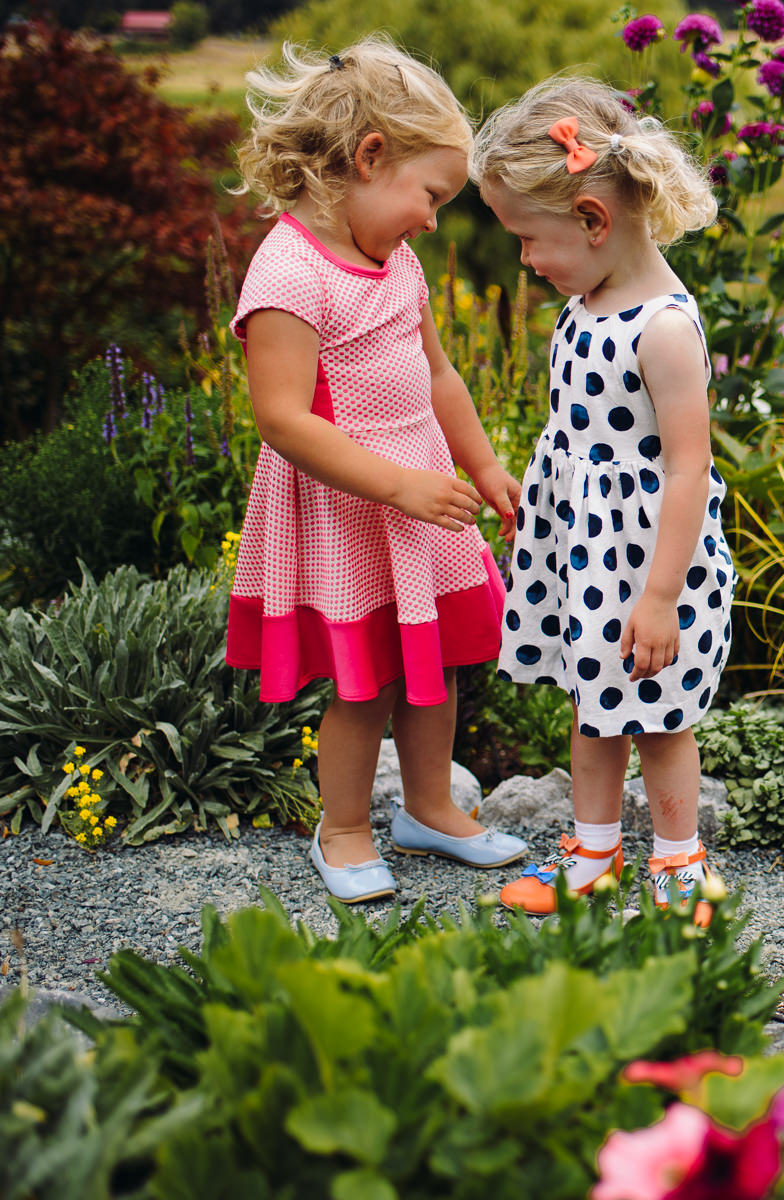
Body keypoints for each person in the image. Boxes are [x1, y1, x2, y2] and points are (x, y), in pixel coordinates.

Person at [227, 38, 528, 903]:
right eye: (430, 195)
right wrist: (398, 485)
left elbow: (437, 374)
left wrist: (482, 460)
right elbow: (282, 419)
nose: (434, 220)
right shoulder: (288, 270)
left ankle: (429, 807)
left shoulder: (396, 262)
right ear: (368, 159)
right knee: (366, 683)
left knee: (433, 668)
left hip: (421, 495)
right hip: (349, 509)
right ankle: (346, 826)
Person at [471, 77, 730, 920]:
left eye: (527, 238)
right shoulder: (583, 305)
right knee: (593, 707)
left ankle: (678, 866)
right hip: (589, 551)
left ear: (591, 219)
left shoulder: (661, 327)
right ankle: (593, 856)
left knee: (657, 721)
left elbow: (689, 469)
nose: (523, 258)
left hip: (652, 559)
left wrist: (659, 601)